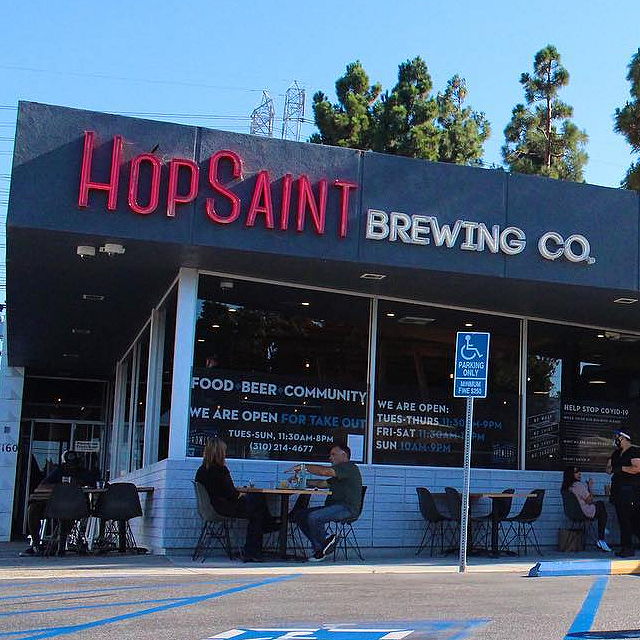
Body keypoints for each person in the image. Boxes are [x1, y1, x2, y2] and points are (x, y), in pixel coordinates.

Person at [194, 438, 278, 562]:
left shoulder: (201, 470)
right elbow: (231, 494)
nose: (225, 454)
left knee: (257, 506)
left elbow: (221, 491)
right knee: (258, 502)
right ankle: (255, 547)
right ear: (220, 453)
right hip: (224, 508)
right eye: (224, 451)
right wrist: (242, 494)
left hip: (212, 508)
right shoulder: (221, 470)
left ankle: (259, 539)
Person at [289, 443, 363, 562]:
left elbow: (325, 472)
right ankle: (325, 543)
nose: (330, 458)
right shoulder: (340, 473)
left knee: (314, 517)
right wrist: (302, 481)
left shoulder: (349, 467)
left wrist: (304, 467)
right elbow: (322, 484)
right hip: (334, 507)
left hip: (347, 508)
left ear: (344, 455)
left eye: (333, 454)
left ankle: (322, 547)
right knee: (300, 515)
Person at [20, 450, 99, 557]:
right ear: (64, 463)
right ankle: (36, 544)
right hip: (55, 506)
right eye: (68, 464)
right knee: (33, 508)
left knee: (67, 514)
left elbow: (95, 484)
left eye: (73, 463)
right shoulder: (58, 471)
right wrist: (59, 487)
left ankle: (57, 545)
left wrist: (78, 483)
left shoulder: (83, 473)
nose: (71, 467)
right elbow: (44, 485)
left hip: (76, 507)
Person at [561, 466, 612, 552]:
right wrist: (590, 487)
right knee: (601, 505)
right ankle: (601, 537)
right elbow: (589, 500)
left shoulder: (566, 488)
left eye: (579, 471)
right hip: (584, 512)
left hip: (572, 513)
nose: (579, 473)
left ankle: (603, 530)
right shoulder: (578, 485)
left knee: (599, 507)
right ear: (570, 474)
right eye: (576, 472)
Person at [607, 430, 640, 557]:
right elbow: (608, 469)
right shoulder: (616, 453)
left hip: (630, 491)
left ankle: (628, 548)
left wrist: (621, 468)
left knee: (631, 520)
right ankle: (626, 547)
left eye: (618, 437)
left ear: (625, 438)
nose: (616, 439)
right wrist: (611, 467)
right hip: (617, 490)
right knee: (623, 520)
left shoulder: (634, 451)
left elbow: (637, 468)